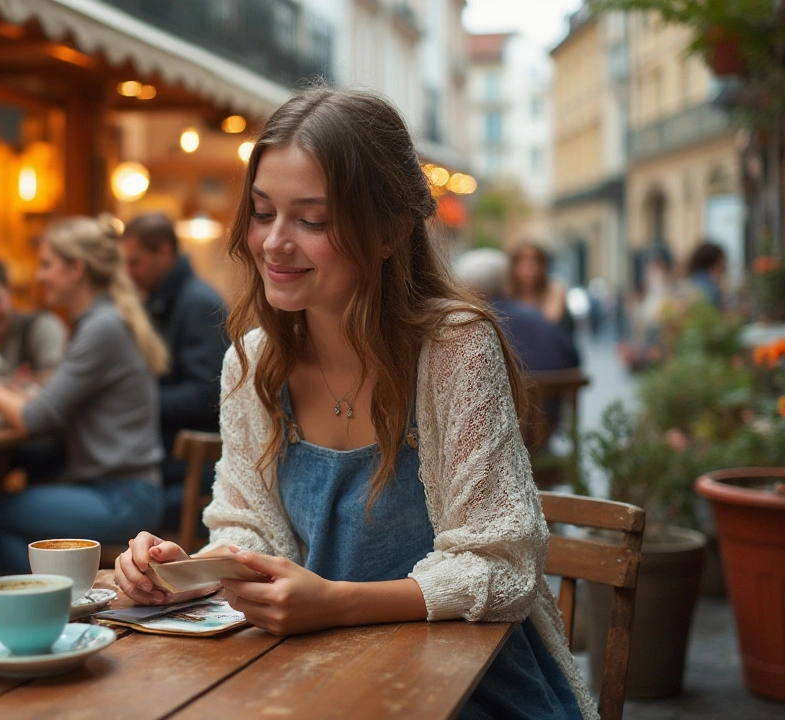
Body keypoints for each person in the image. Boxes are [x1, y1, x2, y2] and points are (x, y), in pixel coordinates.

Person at [113, 88, 594, 719]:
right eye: (262, 213)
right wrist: (189, 573)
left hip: (471, 684)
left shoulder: (453, 349)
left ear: (392, 230)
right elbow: (249, 529)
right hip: (316, 677)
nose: (275, 244)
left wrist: (335, 603)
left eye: (311, 220)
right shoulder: (252, 362)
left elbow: (502, 567)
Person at [0, 216, 170, 575]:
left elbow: (34, 419)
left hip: (122, 499)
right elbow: (55, 401)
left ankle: (52, 602)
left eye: (47, 265)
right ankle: (55, 596)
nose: (38, 276)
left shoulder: (102, 326)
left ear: (76, 269)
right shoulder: (102, 320)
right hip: (118, 490)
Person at [119, 213, 229, 510]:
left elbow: (207, 395)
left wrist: (133, 403)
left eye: (135, 261)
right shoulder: (164, 299)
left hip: (190, 461)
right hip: (168, 451)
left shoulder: (198, 303)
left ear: (164, 252)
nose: (128, 272)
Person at [457, 248, 580, 373]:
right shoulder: (539, 319)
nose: (530, 271)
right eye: (523, 264)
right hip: (556, 388)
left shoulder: (473, 327)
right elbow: (573, 358)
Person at [508, 241, 572, 333]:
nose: (530, 268)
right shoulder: (507, 292)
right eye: (523, 262)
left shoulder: (555, 290)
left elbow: (550, 322)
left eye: (534, 262)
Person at [684, 241, 727, 309]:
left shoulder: (694, 280)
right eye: (723, 261)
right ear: (716, 263)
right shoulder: (709, 288)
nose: (726, 265)